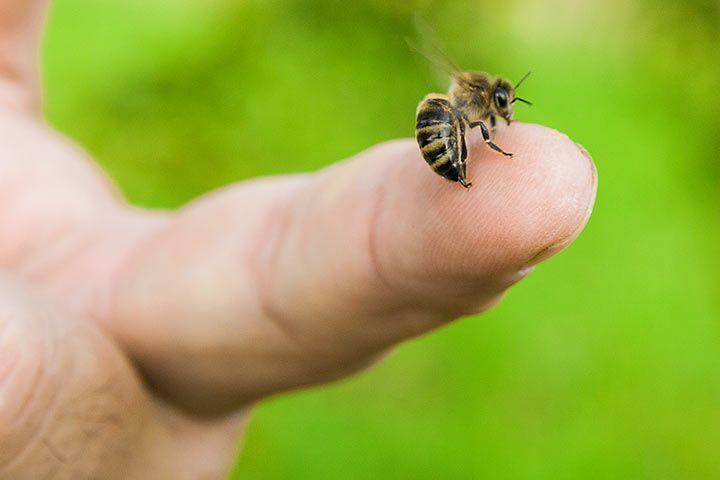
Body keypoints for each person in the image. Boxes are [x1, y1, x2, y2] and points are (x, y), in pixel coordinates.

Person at [0, 1, 597, 478]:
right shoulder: (469, 107)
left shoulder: (473, 99)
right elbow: (472, 119)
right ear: (486, 99)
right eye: (502, 104)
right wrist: (484, 145)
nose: (505, 109)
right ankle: (461, 171)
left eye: (503, 106)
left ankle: (461, 173)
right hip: (441, 127)